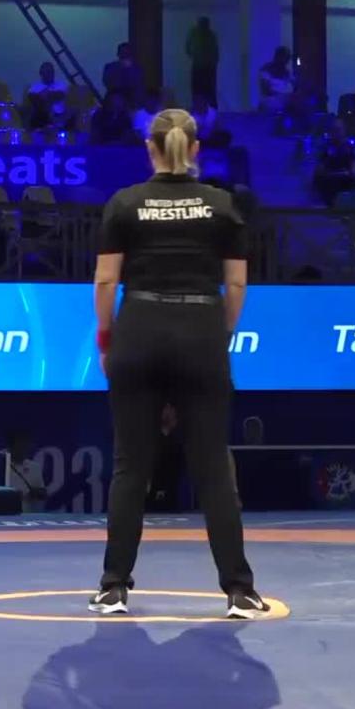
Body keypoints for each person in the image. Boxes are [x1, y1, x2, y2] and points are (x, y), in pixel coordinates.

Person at [91, 108, 266, 619]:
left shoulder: (125, 203)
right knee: (212, 467)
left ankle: (113, 587)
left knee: (131, 466)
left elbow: (106, 281)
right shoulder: (222, 205)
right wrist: (218, 333)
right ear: (195, 150)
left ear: (150, 149)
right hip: (200, 330)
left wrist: (107, 338)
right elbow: (236, 284)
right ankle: (239, 590)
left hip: (139, 330)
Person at [314, 116, 355, 206]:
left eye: (339, 129)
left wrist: (351, 172)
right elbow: (320, 169)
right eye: (334, 130)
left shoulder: (350, 147)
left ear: (344, 130)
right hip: (329, 182)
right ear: (330, 131)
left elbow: (353, 168)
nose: (337, 133)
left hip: (345, 181)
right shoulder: (325, 148)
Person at [186, 17, 220, 107]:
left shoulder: (197, 34)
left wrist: (194, 55)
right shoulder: (207, 35)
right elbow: (216, 52)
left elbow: (188, 49)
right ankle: (204, 109)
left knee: (203, 90)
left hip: (204, 67)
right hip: (204, 67)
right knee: (204, 90)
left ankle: (205, 109)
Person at [26, 62, 69, 130]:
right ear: (41, 73)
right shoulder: (34, 87)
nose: (49, 74)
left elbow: (59, 95)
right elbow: (32, 99)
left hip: (58, 115)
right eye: (46, 72)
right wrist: (45, 96)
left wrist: (44, 95)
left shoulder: (61, 85)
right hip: (40, 115)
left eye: (50, 71)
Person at [103, 43, 145, 108]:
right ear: (118, 54)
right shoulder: (110, 67)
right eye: (122, 52)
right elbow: (107, 83)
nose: (124, 55)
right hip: (114, 100)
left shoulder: (137, 69)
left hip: (132, 102)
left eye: (126, 53)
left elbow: (137, 85)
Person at [258, 47, 295, 114]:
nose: (287, 62)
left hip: (285, 104)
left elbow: (295, 85)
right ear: (278, 57)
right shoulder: (266, 69)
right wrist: (282, 96)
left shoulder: (287, 72)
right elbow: (266, 90)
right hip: (270, 103)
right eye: (285, 58)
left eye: (288, 59)